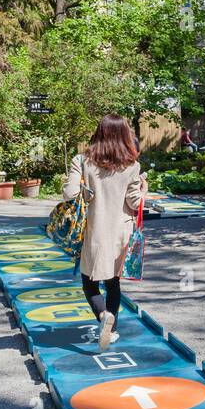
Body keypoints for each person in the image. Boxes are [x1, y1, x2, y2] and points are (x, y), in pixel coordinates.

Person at [63, 115, 147, 351]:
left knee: (89, 283)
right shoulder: (132, 165)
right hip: (121, 231)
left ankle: (103, 317)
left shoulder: (82, 161)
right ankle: (113, 328)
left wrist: (83, 187)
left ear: (99, 132)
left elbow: (69, 194)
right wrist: (144, 189)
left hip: (95, 231)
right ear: (124, 135)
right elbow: (134, 202)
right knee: (113, 282)